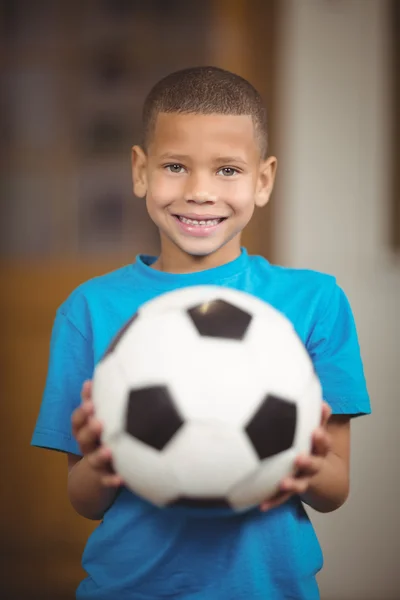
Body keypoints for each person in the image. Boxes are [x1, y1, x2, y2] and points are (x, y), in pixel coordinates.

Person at [31, 66, 370, 600]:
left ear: (263, 180)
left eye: (228, 170)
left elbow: (335, 489)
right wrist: (102, 465)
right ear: (140, 172)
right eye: (174, 166)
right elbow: (84, 498)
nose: (200, 192)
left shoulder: (315, 302)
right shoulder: (89, 310)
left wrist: (305, 465)